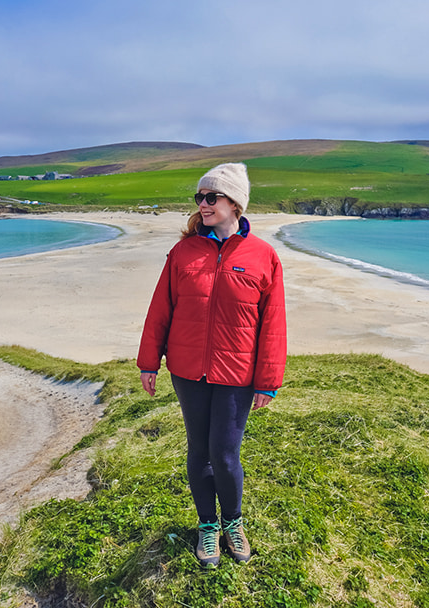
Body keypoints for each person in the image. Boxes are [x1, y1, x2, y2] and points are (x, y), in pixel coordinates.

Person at [137, 162, 287, 568]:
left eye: (211, 197)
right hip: (188, 371)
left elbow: (273, 323)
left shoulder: (263, 256)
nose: (202, 204)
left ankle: (233, 523)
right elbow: (160, 309)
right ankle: (207, 526)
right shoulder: (183, 252)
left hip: (237, 375)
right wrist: (149, 362)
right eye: (199, 197)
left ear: (234, 203)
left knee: (224, 454)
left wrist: (268, 380)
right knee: (199, 451)